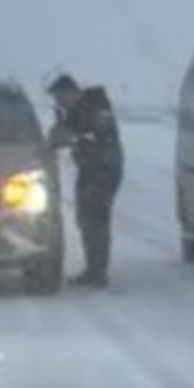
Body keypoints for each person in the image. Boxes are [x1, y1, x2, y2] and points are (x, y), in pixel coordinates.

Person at [47, 74, 124, 289]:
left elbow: (98, 139)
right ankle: (93, 268)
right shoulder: (77, 110)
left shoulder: (96, 108)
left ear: (72, 93)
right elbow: (61, 137)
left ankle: (98, 272)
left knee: (96, 219)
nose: (58, 102)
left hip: (104, 170)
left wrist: (73, 137)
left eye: (60, 97)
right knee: (86, 219)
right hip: (90, 169)